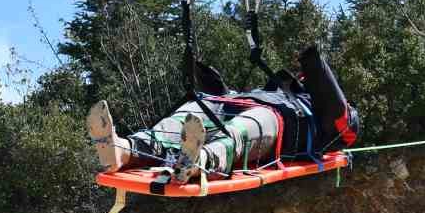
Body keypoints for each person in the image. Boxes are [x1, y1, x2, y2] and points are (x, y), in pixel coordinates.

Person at [88, 45, 358, 183]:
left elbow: (343, 123)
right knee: (189, 113)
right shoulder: (275, 88)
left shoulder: (317, 109)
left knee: (242, 130)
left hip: (277, 120)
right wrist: (206, 78)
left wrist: (314, 63)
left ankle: (201, 160)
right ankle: (123, 149)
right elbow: (224, 94)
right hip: (234, 101)